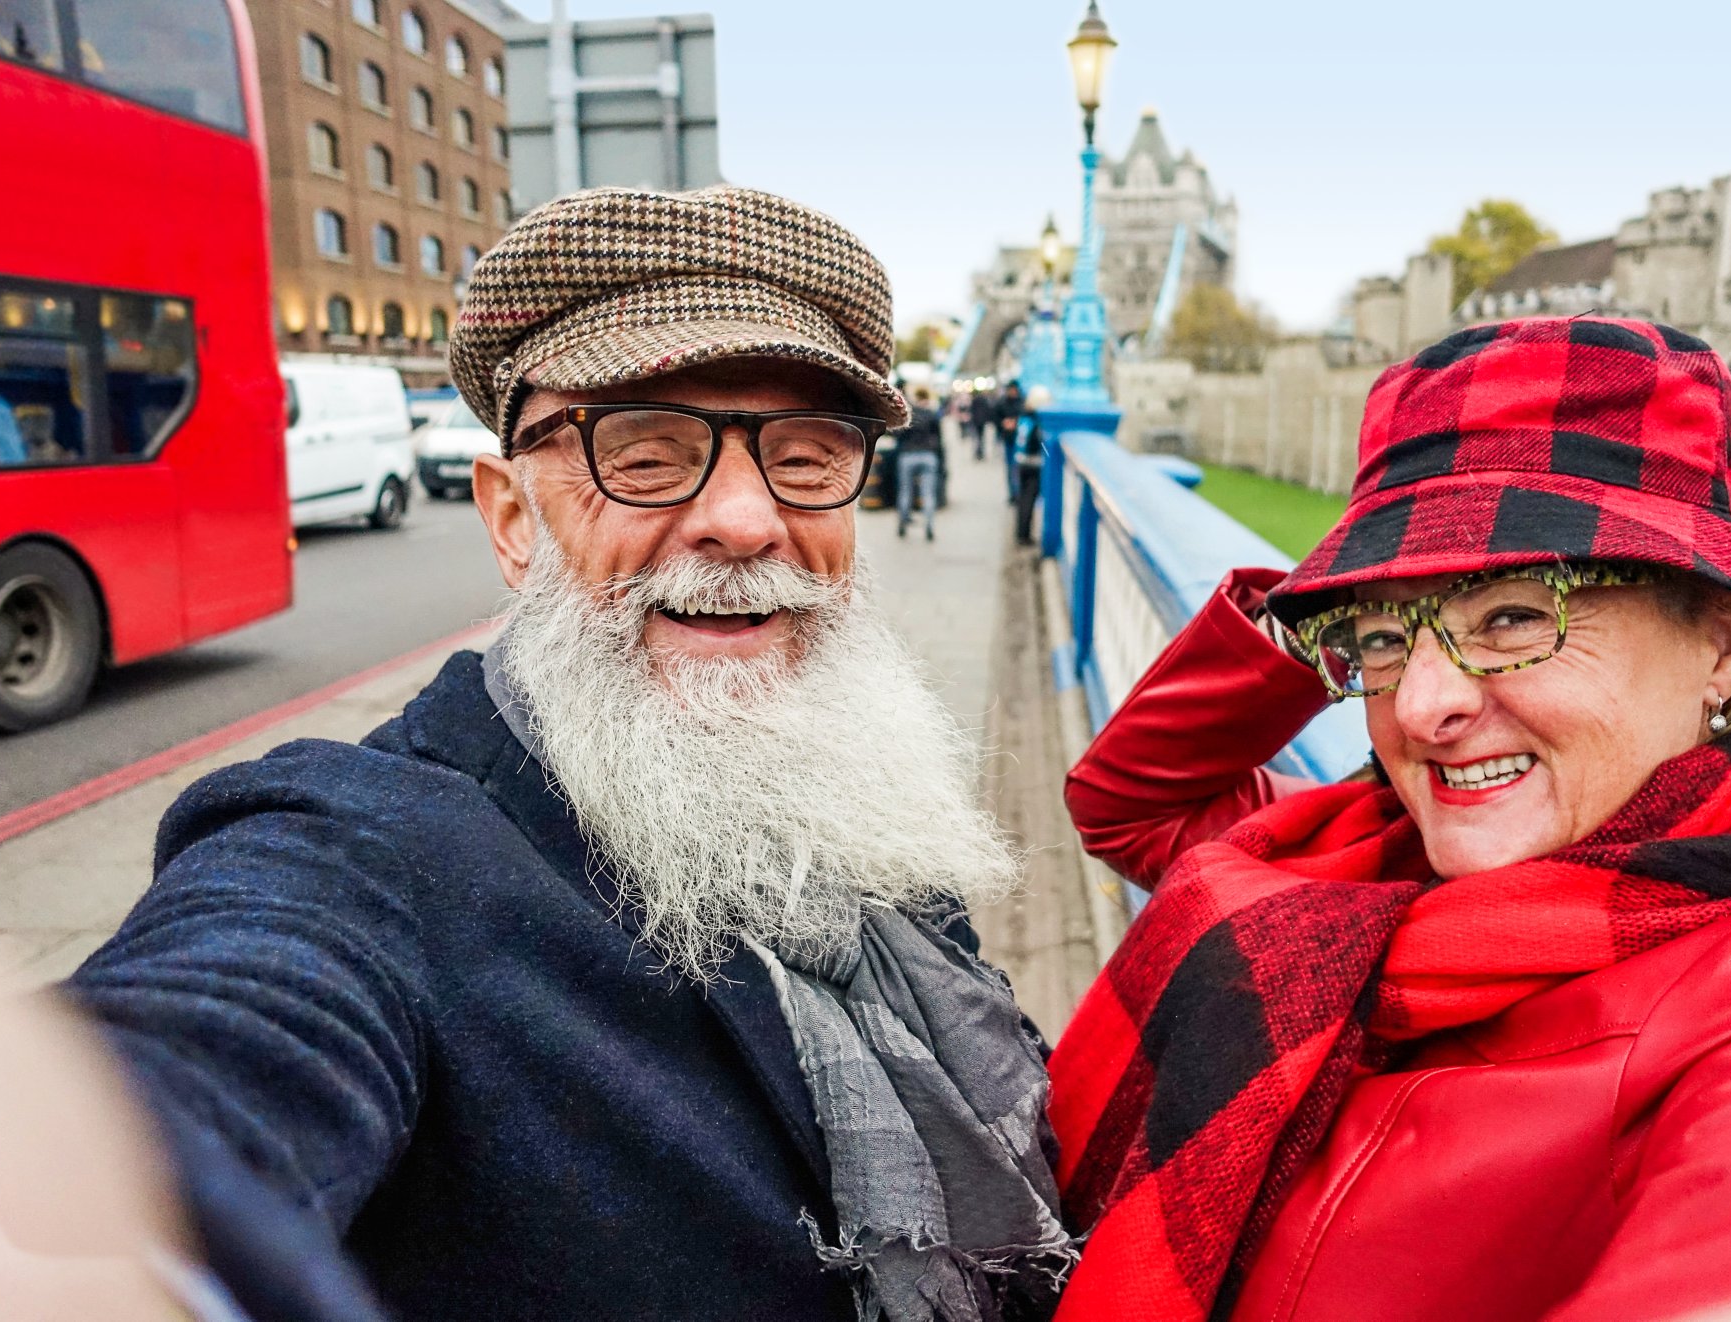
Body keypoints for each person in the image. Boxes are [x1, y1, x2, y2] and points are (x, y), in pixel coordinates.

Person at [61, 186, 1073, 1322]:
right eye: (642, 452)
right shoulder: (361, 850)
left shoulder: (864, 796)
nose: (746, 519)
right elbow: (189, 1077)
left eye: (803, 455)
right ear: (508, 518)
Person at [1047, 317, 1731, 1322]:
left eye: (1518, 615)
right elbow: (1129, 801)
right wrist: (1306, 614)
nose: (1416, 707)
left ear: (1722, 645)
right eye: (1381, 635)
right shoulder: (1347, 855)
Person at [897, 384, 944, 541]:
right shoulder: (932, 414)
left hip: (908, 455)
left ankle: (903, 523)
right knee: (928, 493)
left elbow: (899, 436)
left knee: (905, 491)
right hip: (928, 455)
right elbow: (939, 439)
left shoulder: (909, 414)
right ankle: (929, 525)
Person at [1013, 385, 1053, 547]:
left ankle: (1021, 532)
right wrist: (1049, 455)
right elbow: (1040, 444)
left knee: (1023, 499)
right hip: (1033, 464)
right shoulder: (1037, 422)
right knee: (1029, 499)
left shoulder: (1023, 418)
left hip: (1020, 462)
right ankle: (1024, 535)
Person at [994, 380, 1024, 503]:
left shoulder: (1021, 402)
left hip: (1020, 440)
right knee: (1010, 466)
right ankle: (1013, 493)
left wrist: (1016, 423)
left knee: (1017, 466)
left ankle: (1018, 492)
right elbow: (995, 417)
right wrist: (1003, 424)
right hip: (1008, 439)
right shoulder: (1002, 403)